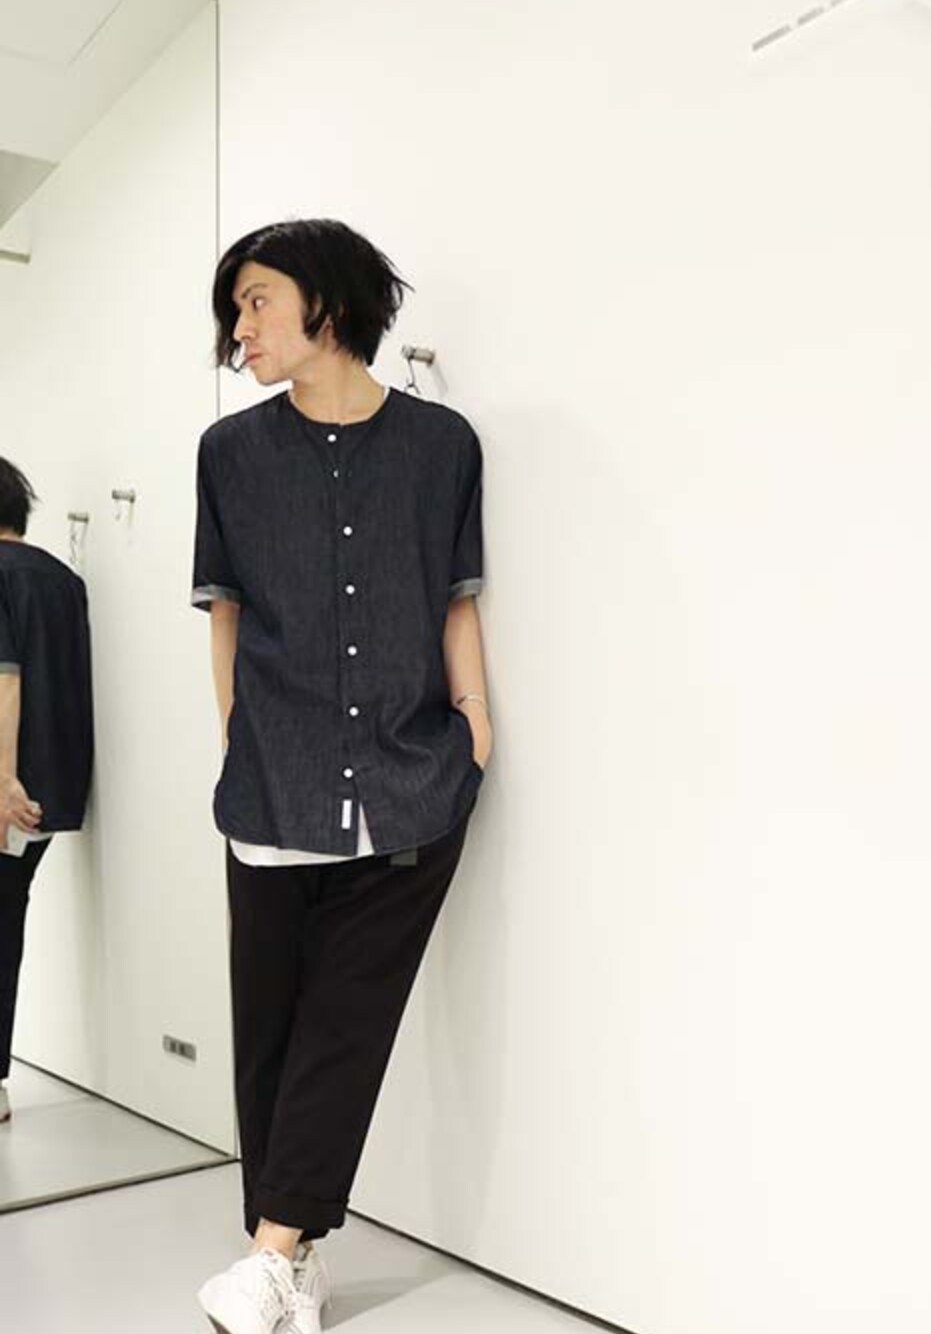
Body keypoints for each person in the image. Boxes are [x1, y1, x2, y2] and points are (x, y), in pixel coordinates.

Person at [191, 219, 491, 1334]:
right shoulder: (229, 453)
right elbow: (225, 611)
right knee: (268, 1037)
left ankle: (269, 1254)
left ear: (327, 299)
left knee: (344, 1025)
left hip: (413, 782)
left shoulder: (442, 444)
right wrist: (238, 734)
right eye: (235, 310)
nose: (241, 329)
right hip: (275, 783)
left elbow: (454, 595)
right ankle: (291, 1260)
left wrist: (475, 723)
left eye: (257, 300)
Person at [0, 460, 94, 1126]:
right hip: (55, 785)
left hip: (10, 790)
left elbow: (5, 681)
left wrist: (4, 779)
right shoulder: (63, 581)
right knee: (8, 921)